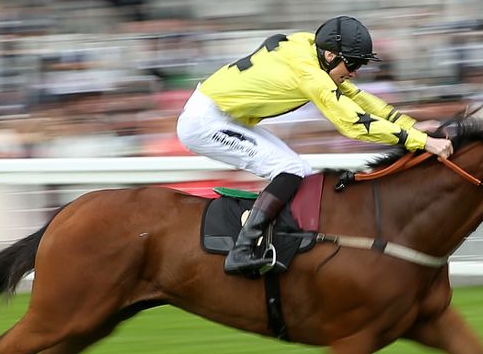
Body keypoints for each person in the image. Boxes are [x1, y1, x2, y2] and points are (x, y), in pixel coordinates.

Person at [176, 15, 453, 276]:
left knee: (301, 171)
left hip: (224, 114)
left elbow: (357, 97)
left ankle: (276, 242)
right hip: (205, 121)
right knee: (288, 169)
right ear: (332, 56)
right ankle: (241, 250)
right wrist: (423, 142)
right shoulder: (310, 72)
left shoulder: (313, 47)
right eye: (353, 64)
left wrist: (410, 125)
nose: (355, 73)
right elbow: (353, 124)